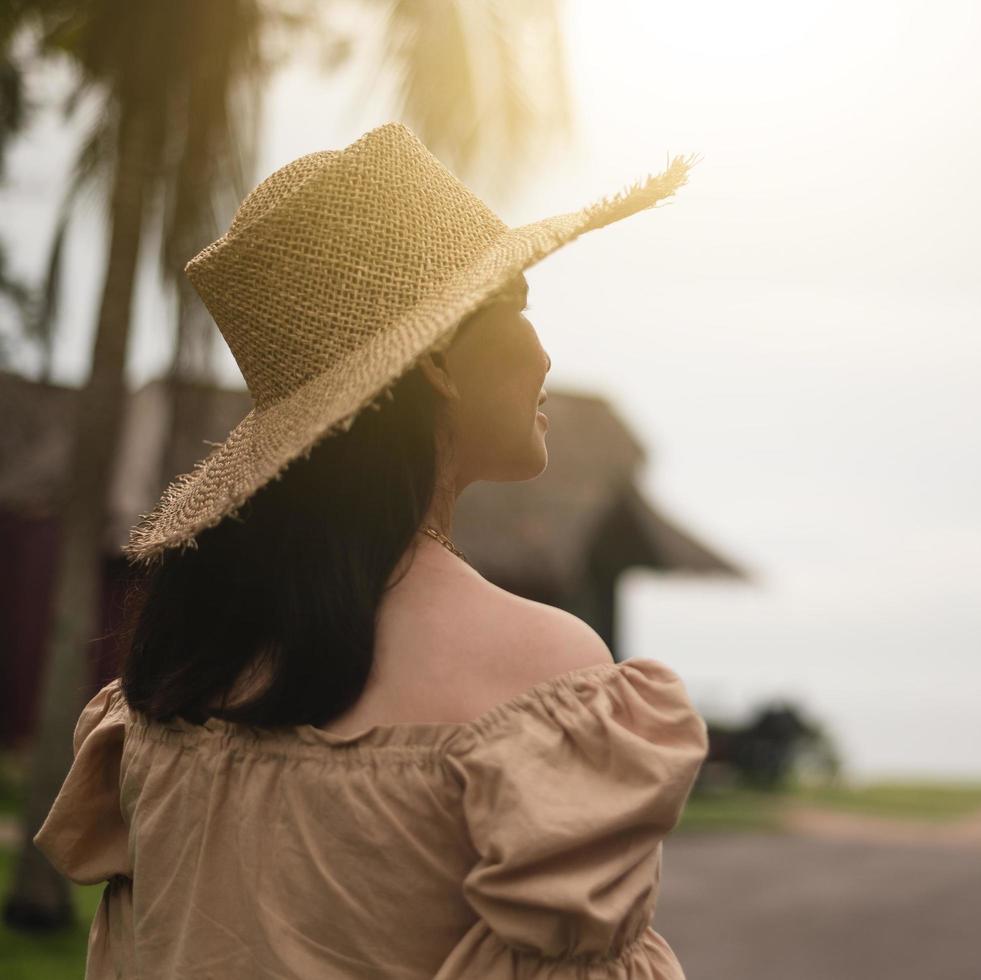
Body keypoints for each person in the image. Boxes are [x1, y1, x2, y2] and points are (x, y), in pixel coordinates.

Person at [32, 122, 709, 979]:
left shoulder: (166, 689)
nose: (544, 353)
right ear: (438, 365)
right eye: (521, 308)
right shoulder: (543, 677)